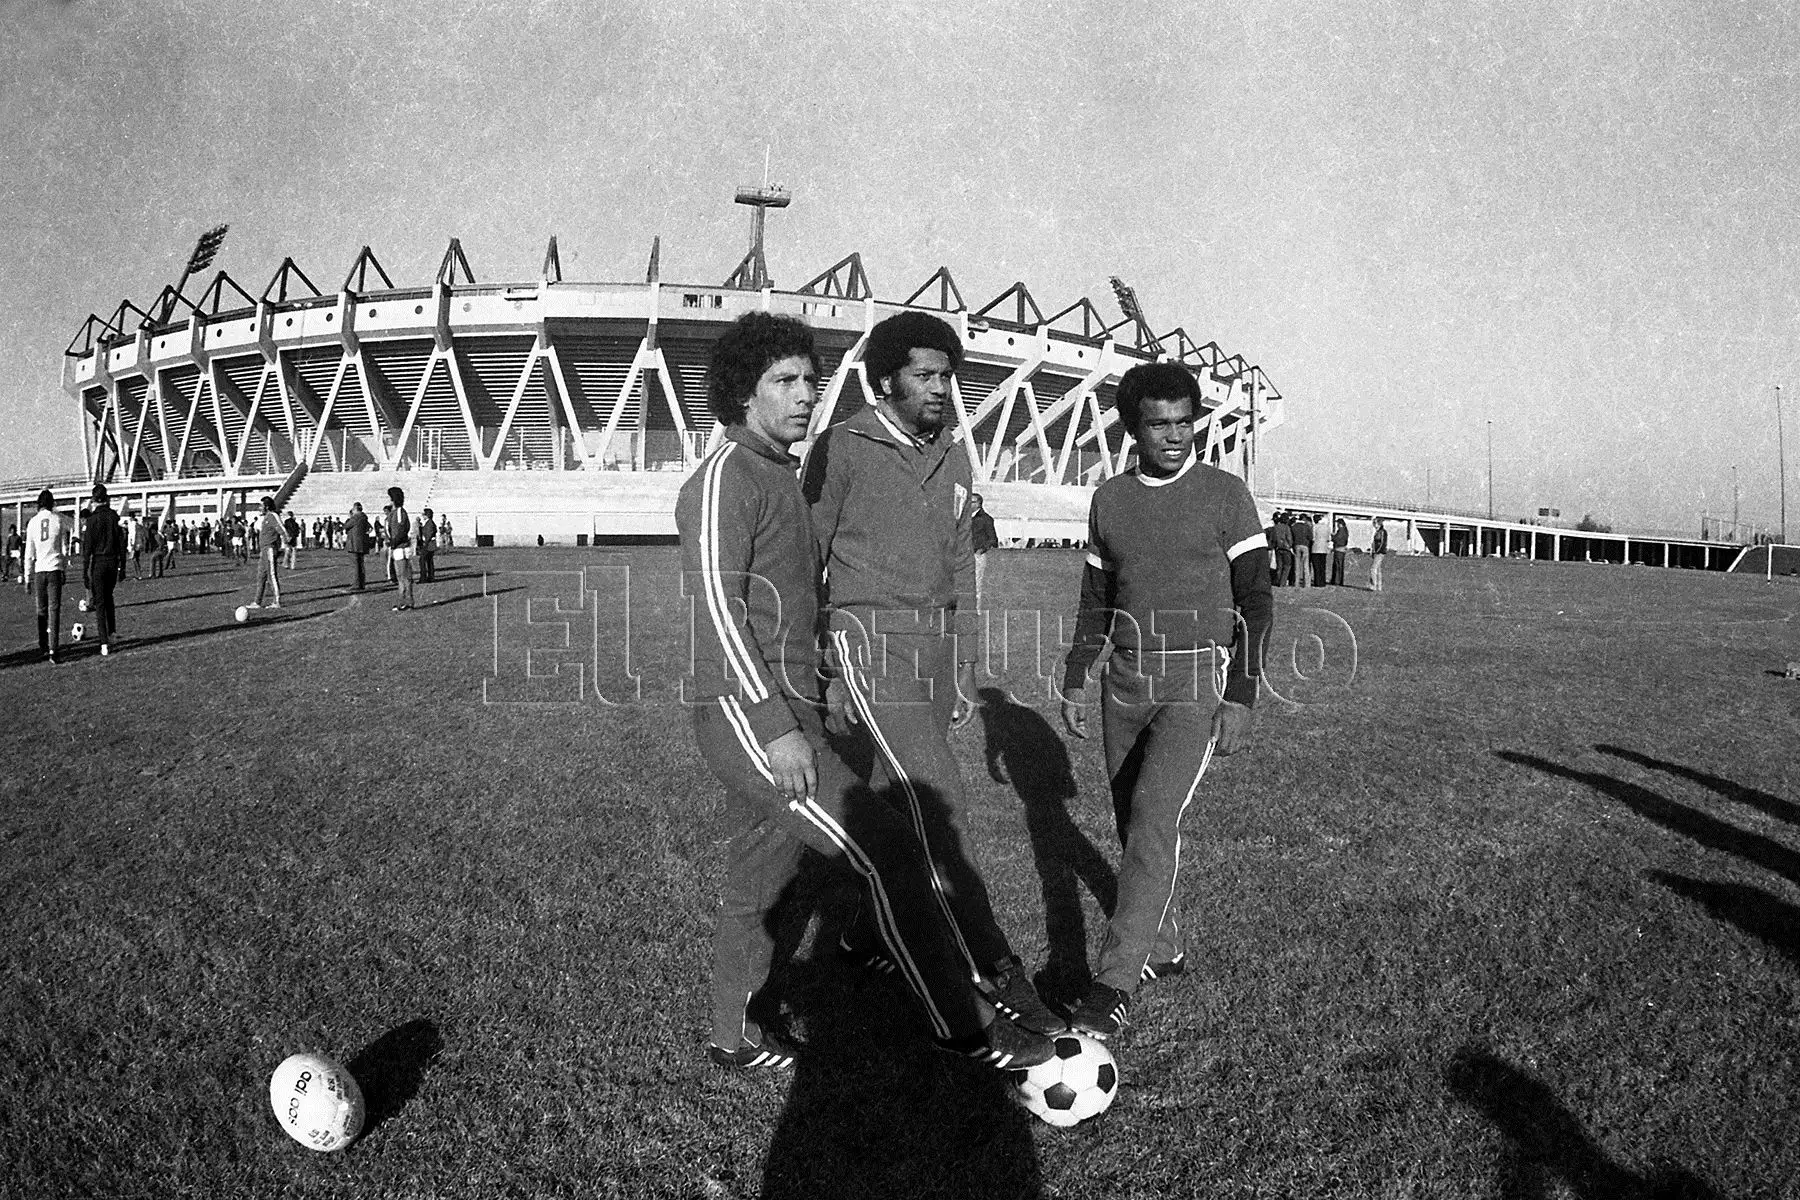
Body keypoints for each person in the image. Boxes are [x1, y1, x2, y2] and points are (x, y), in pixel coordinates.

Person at [678, 310, 1053, 1073]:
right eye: (782, 382)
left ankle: (732, 1035)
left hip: (800, 702)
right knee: (889, 849)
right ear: (740, 395)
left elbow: (802, 595)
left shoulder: (778, 470)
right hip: (753, 714)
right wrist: (776, 726)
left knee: (761, 879)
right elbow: (719, 606)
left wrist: (823, 681)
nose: (803, 396)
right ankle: (969, 1025)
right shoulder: (723, 478)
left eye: (809, 381)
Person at [802, 310, 1065, 1037]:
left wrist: (962, 668)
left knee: (894, 798)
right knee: (938, 797)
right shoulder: (842, 448)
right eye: (924, 375)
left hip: (931, 649)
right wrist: (818, 662)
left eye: (947, 377)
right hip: (866, 640)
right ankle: (995, 970)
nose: (940, 389)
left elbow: (960, 569)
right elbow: (804, 561)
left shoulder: (953, 454)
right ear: (885, 380)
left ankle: (862, 935)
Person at [1058, 362, 1274, 1040]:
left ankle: (1113, 981)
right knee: (1132, 823)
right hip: (1124, 679)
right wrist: (1075, 673)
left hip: (1195, 678)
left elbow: (1257, 601)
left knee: (1153, 816)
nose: (1175, 436)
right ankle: (1165, 946)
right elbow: (1096, 598)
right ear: (1132, 428)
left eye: (1186, 422)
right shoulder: (1111, 499)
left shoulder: (1225, 494)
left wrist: (1240, 695)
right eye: (1160, 424)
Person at [23, 489, 72, 663]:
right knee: (54, 610)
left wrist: (27, 576)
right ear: (52, 503)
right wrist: (64, 570)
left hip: (39, 570)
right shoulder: (58, 520)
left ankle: (43, 646)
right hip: (54, 568)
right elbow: (63, 549)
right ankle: (53, 649)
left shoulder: (33, 523)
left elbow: (29, 552)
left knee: (41, 610)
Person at [82, 484, 126, 656]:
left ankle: (104, 642)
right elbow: (121, 544)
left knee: (99, 602)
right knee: (109, 598)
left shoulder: (92, 520)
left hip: (98, 563)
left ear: (93, 500)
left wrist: (84, 571)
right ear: (106, 498)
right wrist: (123, 567)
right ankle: (112, 632)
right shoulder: (114, 518)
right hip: (112, 562)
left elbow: (87, 549)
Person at [247, 497, 284, 610]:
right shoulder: (266, 518)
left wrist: (285, 545)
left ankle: (276, 602)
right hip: (264, 551)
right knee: (261, 576)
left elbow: (282, 530)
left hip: (269, 550)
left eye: (261, 505)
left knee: (271, 575)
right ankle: (257, 602)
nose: (259, 508)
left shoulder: (273, 515)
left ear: (266, 506)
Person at [386, 487, 415, 611]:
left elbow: (400, 531)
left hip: (400, 548)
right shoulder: (396, 512)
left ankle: (406, 602)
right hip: (398, 547)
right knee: (402, 577)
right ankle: (404, 601)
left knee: (403, 577)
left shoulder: (399, 512)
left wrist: (392, 543)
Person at [968, 492, 999, 608]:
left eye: (972, 502)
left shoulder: (986, 519)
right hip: (964, 555)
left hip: (977, 555)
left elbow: (993, 539)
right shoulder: (964, 518)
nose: (970, 504)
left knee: (977, 583)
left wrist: (981, 550)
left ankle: (977, 609)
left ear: (979, 504)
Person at [344, 502, 372, 592]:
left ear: (355, 509)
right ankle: (361, 583)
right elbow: (370, 528)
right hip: (362, 544)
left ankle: (356, 584)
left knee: (355, 565)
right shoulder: (364, 517)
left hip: (354, 544)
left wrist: (350, 517)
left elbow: (346, 526)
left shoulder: (355, 517)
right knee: (361, 564)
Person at [1289, 511, 1312, 587]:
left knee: (1297, 565)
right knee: (1305, 565)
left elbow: (1291, 537)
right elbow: (1311, 537)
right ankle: (1307, 584)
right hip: (1305, 545)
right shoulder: (1307, 527)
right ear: (1304, 519)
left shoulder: (1294, 526)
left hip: (1296, 545)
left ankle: (1296, 583)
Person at [418, 507, 438, 583]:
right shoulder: (429, 522)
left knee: (422, 561)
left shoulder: (429, 523)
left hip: (428, 545)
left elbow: (428, 535)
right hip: (429, 545)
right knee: (429, 562)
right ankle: (430, 577)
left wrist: (424, 544)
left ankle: (423, 578)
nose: (423, 516)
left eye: (423, 514)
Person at [1309, 512, 1329, 588]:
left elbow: (1313, 538)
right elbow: (1328, 538)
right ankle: (1322, 582)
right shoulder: (1327, 527)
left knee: (1316, 566)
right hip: (1324, 548)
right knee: (1322, 566)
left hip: (1316, 548)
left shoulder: (1315, 527)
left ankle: (1317, 582)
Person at [1369, 517, 1389, 592]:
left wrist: (1377, 551)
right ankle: (1379, 586)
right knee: (1378, 569)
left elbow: (1383, 542)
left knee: (1373, 569)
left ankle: (1373, 585)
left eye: (1375, 523)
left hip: (1380, 552)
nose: (1374, 525)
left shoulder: (1382, 532)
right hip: (1377, 552)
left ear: (1379, 524)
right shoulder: (1377, 532)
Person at [1330, 515, 1349, 586]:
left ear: (1340, 524)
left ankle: (1336, 581)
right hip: (1342, 549)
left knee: (1338, 565)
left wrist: (1333, 536)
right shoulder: (1345, 530)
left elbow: (1337, 539)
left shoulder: (1341, 530)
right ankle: (1338, 580)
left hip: (1339, 549)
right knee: (1339, 565)